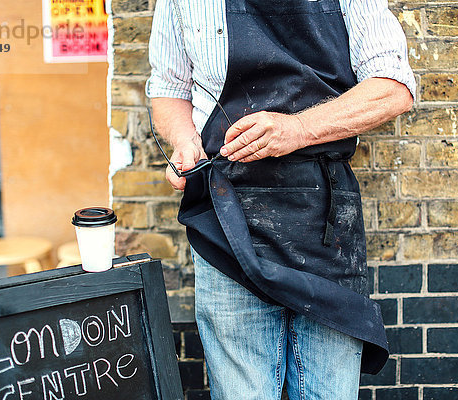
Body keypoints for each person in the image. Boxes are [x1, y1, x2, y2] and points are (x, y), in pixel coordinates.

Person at [146, 0, 415, 398]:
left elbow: (394, 88)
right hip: (226, 215)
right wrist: (187, 145)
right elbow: (169, 89)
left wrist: (300, 128)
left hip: (324, 219)